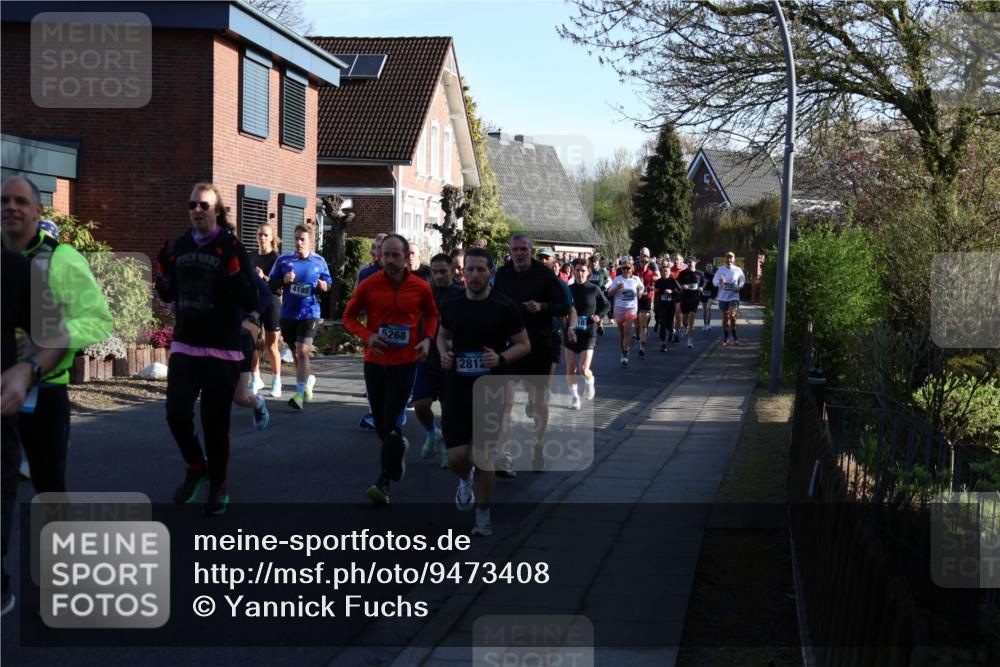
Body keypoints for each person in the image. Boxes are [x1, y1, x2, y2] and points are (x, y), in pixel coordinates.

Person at [1, 176, 112, 496]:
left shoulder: (63, 259)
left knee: (48, 487)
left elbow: (97, 321)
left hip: (45, 390)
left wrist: (49, 339)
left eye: (20, 202)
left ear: (38, 210)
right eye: (4, 200)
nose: (10, 207)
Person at [155, 182, 259, 515]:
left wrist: (232, 273)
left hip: (222, 349)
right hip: (187, 344)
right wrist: (163, 278)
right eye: (192, 205)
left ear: (217, 211)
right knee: (176, 412)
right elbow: (170, 294)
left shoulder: (231, 245)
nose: (197, 211)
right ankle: (195, 466)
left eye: (203, 205)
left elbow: (252, 298)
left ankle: (219, 486)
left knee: (215, 424)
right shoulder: (182, 245)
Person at [438, 248, 529, 536]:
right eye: (470, 270)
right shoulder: (452, 303)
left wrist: (500, 358)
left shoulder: (503, 305)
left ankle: (483, 515)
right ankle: (465, 480)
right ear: (462, 273)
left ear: (491, 272)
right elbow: (442, 337)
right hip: (456, 388)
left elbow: (524, 344)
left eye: (480, 270)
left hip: (491, 389)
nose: (475, 275)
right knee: (457, 458)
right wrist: (444, 354)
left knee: (484, 455)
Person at [343, 234, 438, 504]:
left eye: (396, 255)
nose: (391, 261)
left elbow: (432, 314)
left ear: (407, 257)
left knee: (391, 416)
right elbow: (349, 316)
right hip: (374, 361)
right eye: (386, 255)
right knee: (381, 425)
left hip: (405, 362)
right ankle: (397, 443)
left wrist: (427, 339)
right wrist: (367, 335)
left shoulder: (420, 287)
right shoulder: (369, 284)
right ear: (379, 256)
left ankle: (384, 481)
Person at [0, 246, 68, 616]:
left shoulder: (17, 267)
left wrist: (27, 367)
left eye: (19, 201)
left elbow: (62, 329)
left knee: (49, 477)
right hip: (21, 394)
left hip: (48, 387)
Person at [492, 233, 570, 475]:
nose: (519, 253)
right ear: (510, 251)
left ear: (531, 250)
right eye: (515, 249)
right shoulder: (503, 274)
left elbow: (564, 306)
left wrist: (542, 307)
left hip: (538, 344)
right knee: (504, 402)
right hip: (510, 345)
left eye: (524, 249)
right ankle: (504, 456)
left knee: (538, 402)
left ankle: (538, 444)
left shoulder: (544, 275)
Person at [268, 225, 331, 411]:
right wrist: (284, 281)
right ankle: (307, 381)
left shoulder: (319, 261)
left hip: (310, 312)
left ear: (310, 241)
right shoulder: (283, 260)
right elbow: (271, 284)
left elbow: (328, 284)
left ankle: (299, 394)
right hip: (288, 313)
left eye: (302, 239)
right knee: (296, 352)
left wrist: (323, 285)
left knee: (303, 350)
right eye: (296, 238)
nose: (298, 242)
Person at [413, 253, 458, 467]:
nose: (439, 276)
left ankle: (448, 450)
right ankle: (433, 433)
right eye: (435, 272)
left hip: (451, 360)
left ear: (452, 271)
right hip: (428, 359)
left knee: (450, 411)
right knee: (421, 405)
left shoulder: (461, 294)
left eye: (443, 272)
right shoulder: (425, 293)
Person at [566, 259, 610, 408]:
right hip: (571, 331)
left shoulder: (594, 289)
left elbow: (606, 304)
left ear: (588, 272)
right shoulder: (568, 289)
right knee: (570, 368)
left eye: (583, 270)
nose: (580, 273)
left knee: (583, 369)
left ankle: (590, 381)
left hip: (589, 332)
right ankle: (575, 398)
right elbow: (561, 308)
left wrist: (599, 316)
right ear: (573, 271)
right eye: (577, 270)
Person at [250, 223, 283, 397]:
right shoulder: (251, 256)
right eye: (259, 235)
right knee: (250, 343)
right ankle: (256, 379)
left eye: (265, 235)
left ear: (271, 238)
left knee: (271, 345)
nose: (262, 238)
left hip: (271, 302)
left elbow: (280, 283)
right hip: (255, 303)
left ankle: (276, 381)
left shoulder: (277, 258)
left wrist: (265, 277)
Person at [607, 259, 643, 367]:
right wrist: (617, 288)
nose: (626, 270)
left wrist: (640, 292)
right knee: (622, 333)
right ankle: (623, 351)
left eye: (628, 268)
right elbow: (609, 294)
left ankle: (625, 354)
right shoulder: (617, 279)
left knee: (627, 331)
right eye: (624, 268)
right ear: (621, 269)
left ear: (632, 269)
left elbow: (641, 290)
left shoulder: (636, 279)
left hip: (631, 307)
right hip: (619, 308)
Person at [713, 252, 746, 346]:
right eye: (727, 258)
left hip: (734, 297)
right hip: (723, 297)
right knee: (725, 318)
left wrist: (739, 287)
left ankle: (734, 335)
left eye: (731, 258)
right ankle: (726, 336)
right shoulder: (720, 270)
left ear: (734, 259)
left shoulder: (738, 270)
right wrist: (719, 281)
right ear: (725, 259)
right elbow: (714, 282)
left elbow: (743, 280)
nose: (729, 260)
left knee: (732, 315)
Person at [633, 248, 660, 357]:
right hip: (636, 299)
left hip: (647, 299)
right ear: (639, 261)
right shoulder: (635, 272)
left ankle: (641, 345)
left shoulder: (651, 272)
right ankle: (639, 335)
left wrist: (651, 288)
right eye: (642, 261)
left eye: (646, 262)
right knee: (637, 323)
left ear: (649, 262)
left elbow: (657, 283)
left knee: (644, 323)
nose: (644, 263)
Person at [677, 257, 706, 349]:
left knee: (692, 318)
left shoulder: (700, 273)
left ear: (695, 263)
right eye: (688, 262)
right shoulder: (683, 273)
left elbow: (704, 282)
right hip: (685, 298)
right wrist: (682, 286)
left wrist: (701, 288)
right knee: (684, 319)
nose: (689, 264)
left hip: (695, 298)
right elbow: (677, 284)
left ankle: (690, 341)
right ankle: (685, 327)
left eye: (691, 262)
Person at [653, 268, 680, 352]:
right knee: (663, 322)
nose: (665, 273)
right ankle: (663, 344)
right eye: (663, 271)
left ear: (669, 272)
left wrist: (671, 291)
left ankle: (672, 330)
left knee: (669, 322)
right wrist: (661, 291)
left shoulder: (673, 281)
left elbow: (679, 290)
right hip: (661, 305)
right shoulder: (658, 281)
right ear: (661, 272)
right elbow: (656, 291)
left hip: (670, 304)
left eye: (666, 271)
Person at [668, 253, 687, 343]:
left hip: (679, 295)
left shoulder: (684, 271)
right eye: (674, 259)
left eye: (678, 259)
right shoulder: (669, 270)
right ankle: (672, 330)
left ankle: (676, 333)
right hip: (670, 295)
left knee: (678, 314)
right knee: (670, 315)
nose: (676, 261)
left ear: (681, 261)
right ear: (672, 260)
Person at [701, 262, 716, 331]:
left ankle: (708, 324)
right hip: (703, 294)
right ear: (706, 268)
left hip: (711, 294)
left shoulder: (714, 275)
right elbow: (700, 283)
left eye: (710, 267)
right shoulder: (703, 275)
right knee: (704, 310)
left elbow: (716, 285)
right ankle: (704, 324)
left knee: (708, 308)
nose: (709, 268)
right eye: (708, 267)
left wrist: (716, 294)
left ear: (712, 268)